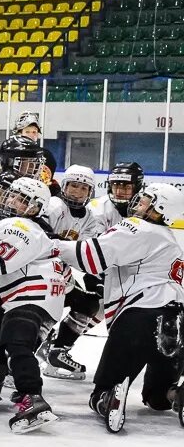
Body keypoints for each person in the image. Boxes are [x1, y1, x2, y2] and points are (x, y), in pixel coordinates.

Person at [54, 183, 184, 432]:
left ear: (160, 210)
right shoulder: (170, 239)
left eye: (147, 201)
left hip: (142, 315)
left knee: (105, 388)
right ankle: (177, 395)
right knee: (157, 398)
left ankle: (106, 399)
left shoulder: (139, 228)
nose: (139, 203)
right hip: (177, 318)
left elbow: (92, 257)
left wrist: (51, 245)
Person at [0, 177, 67, 432]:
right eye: (12, 195)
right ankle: (25, 392)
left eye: (21, 199)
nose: (11, 201)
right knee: (16, 347)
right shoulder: (33, 228)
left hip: (31, 295)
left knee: (17, 344)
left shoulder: (18, 225)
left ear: (34, 208)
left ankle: (33, 396)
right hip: (45, 298)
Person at [40, 165, 105, 379]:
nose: (78, 192)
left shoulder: (89, 217)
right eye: (74, 186)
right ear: (64, 186)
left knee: (88, 303)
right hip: (37, 273)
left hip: (61, 274)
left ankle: (58, 350)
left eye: (84, 188)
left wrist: (96, 276)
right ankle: (23, 354)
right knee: (49, 309)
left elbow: (83, 253)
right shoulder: (53, 207)